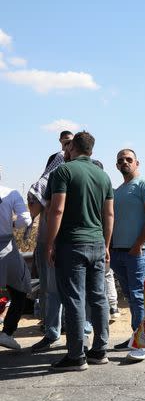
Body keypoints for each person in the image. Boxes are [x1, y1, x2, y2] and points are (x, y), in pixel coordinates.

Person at [45, 131, 114, 371]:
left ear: (71, 146)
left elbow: (56, 210)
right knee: (98, 297)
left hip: (71, 244)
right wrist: (106, 245)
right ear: (92, 150)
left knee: (74, 299)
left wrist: (50, 243)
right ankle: (100, 350)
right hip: (97, 243)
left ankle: (76, 355)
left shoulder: (63, 171)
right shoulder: (103, 175)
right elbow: (109, 214)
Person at [108, 149, 145, 362]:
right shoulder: (118, 190)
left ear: (137, 162)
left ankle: (144, 343)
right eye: (120, 160)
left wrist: (138, 245)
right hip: (118, 251)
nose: (124, 162)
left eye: (128, 159)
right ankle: (135, 336)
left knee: (138, 295)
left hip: (137, 251)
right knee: (131, 297)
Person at [27, 131, 71, 352]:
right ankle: (55, 329)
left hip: (62, 241)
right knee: (52, 289)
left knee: (56, 289)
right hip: (56, 241)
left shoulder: (70, 177)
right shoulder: (49, 182)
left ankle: (64, 331)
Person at [0, 183, 32, 350]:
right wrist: (12, 225)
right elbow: (25, 219)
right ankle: (7, 333)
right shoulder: (10, 192)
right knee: (19, 292)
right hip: (6, 248)